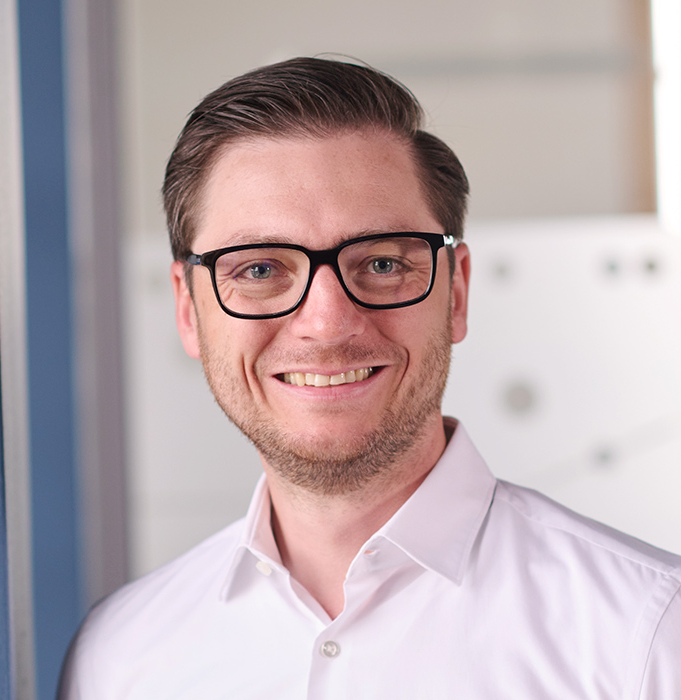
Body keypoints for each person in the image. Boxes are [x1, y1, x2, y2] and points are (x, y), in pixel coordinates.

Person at [58, 57, 681, 699]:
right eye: (259, 270)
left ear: (456, 292)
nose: (327, 324)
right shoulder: (118, 662)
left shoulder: (651, 641)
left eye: (382, 263)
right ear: (188, 311)